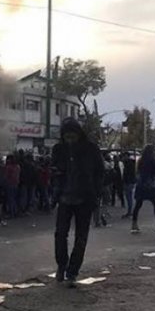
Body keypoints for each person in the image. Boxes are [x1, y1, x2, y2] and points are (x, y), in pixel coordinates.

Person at [52, 118, 104, 288]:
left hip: (85, 198)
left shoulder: (90, 150)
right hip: (65, 198)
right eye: (67, 137)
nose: (70, 141)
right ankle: (62, 264)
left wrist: (96, 194)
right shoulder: (59, 150)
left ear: (79, 135)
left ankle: (72, 271)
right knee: (60, 234)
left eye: (73, 137)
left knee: (81, 237)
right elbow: (55, 173)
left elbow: (99, 173)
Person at [130, 145, 155, 234]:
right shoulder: (152, 161)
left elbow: (137, 172)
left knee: (138, 205)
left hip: (141, 185)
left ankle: (134, 224)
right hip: (150, 185)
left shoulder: (140, 161)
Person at [121, 152, 137, 219]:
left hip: (128, 182)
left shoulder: (128, 164)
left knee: (129, 198)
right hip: (131, 182)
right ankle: (130, 211)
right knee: (130, 197)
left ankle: (130, 212)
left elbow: (127, 174)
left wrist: (125, 182)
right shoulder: (132, 163)